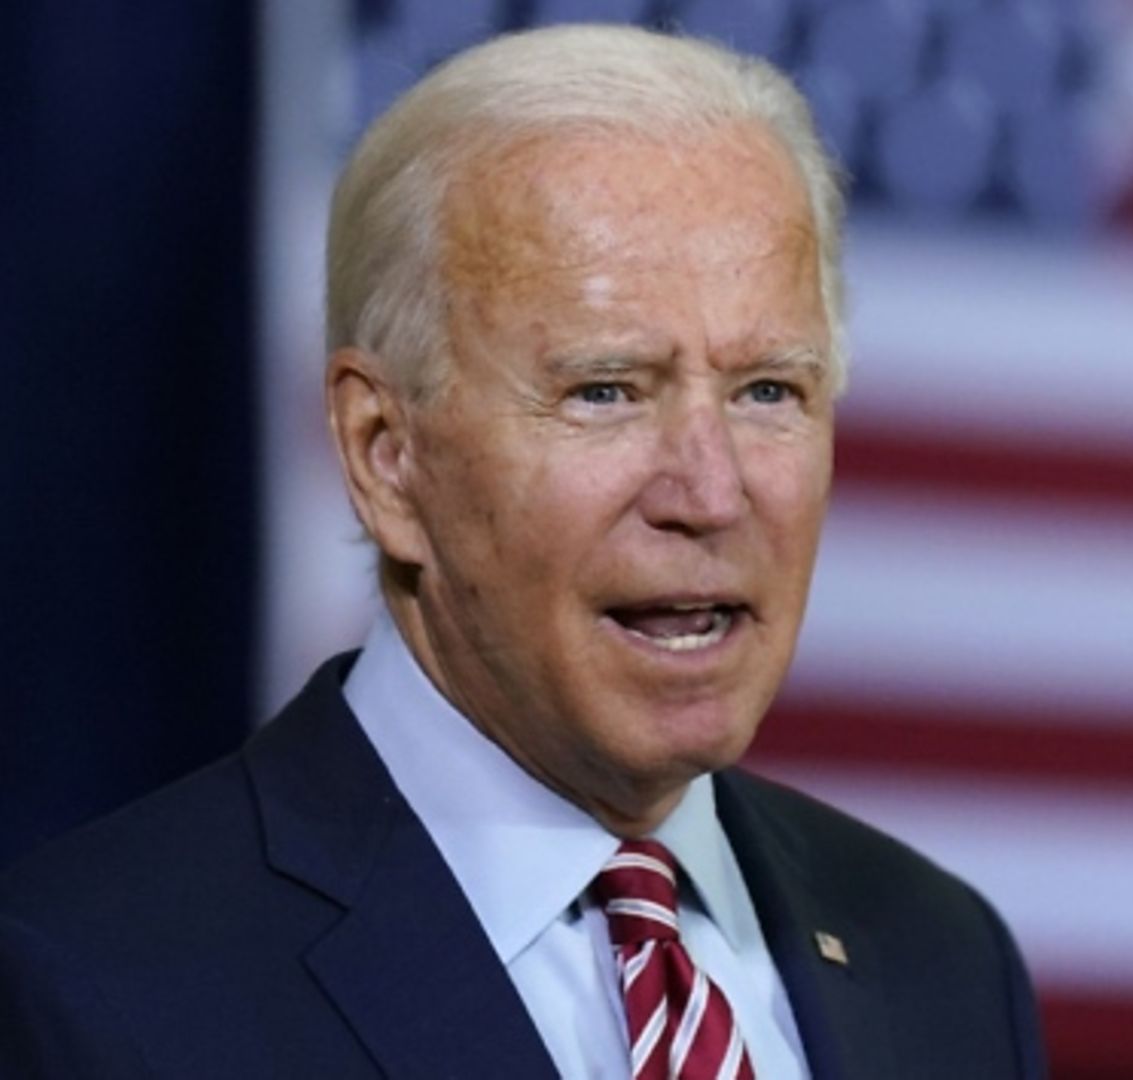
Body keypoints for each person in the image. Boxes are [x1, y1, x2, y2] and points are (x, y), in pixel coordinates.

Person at [0, 24, 1045, 1079]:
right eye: (606, 391)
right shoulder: (85, 992)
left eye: (768, 390)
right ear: (386, 454)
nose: (712, 492)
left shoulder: (945, 964)